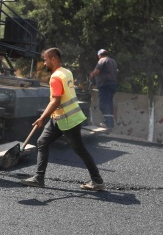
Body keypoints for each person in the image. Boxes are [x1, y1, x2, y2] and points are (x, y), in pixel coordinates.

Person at [21, 48, 105, 190]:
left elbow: (56, 101)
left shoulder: (55, 77)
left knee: (79, 149)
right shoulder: (66, 72)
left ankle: (97, 181)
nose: (45, 63)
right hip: (60, 118)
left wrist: (42, 118)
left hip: (67, 119)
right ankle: (38, 178)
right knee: (42, 142)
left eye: (46, 60)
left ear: (53, 59)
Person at [89, 49, 118, 129]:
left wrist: (91, 75)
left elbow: (97, 71)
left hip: (105, 85)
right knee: (109, 103)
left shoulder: (102, 60)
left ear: (99, 55)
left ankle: (107, 122)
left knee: (103, 104)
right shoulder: (113, 61)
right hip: (113, 85)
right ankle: (111, 123)